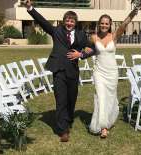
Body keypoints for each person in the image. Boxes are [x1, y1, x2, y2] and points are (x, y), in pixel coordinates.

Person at [25, 0, 93, 142]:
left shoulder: (81, 35)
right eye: (67, 21)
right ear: (63, 22)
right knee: (61, 100)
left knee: (71, 99)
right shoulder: (56, 31)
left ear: (75, 23)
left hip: (73, 71)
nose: (69, 23)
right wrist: (30, 8)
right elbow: (42, 21)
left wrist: (81, 55)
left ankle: (68, 120)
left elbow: (91, 49)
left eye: (72, 21)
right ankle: (63, 130)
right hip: (59, 70)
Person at [88, 9, 138, 138]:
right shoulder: (93, 37)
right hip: (99, 72)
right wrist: (82, 52)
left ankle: (107, 121)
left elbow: (124, 25)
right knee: (100, 97)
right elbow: (86, 49)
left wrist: (133, 13)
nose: (104, 25)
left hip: (111, 73)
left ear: (110, 25)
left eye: (107, 24)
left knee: (110, 99)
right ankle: (103, 127)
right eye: (102, 23)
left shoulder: (114, 36)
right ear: (99, 24)